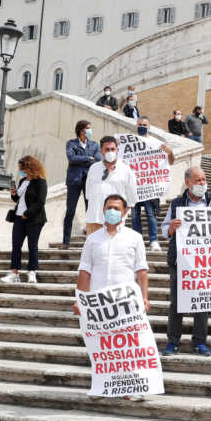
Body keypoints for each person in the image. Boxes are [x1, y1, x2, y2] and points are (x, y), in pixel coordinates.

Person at [74, 193, 150, 401]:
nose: (112, 211)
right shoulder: (92, 239)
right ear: (103, 210)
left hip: (125, 301)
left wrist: (144, 297)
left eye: (117, 208)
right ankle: (102, 386)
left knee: (127, 345)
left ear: (125, 212)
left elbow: (141, 271)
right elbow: (85, 271)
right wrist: (80, 299)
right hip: (99, 302)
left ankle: (130, 387)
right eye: (109, 207)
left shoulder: (134, 238)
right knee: (101, 347)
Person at [160, 167, 211, 357]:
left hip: (203, 262)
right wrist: (172, 228)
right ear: (188, 182)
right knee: (176, 303)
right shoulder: (177, 204)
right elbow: (164, 230)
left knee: (202, 303)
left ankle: (200, 342)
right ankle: (172, 342)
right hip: (179, 261)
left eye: (204, 179)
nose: (202, 183)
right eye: (198, 180)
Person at [1, 155, 48, 284]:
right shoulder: (22, 181)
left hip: (34, 219)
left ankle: (32, 272)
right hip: (18, 218)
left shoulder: (41, 182)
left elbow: (40, 202)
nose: (20, 170)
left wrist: (27, 214)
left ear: (29, 167)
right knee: (16, 245)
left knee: (32, 246)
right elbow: (17, 200)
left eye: (22, 168)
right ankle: (14, 273)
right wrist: (13, 194)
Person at [130, 117, 171, 250]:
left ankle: (154, 240)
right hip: (134, 186)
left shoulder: (156, 143)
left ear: (149, 127)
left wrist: (169, 152)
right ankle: (137, 240)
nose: (142, 126)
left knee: (150, 214)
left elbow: (170, 161)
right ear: (136, 125)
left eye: (144, 125)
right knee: (135, 215)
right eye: (140, 124)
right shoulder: (130, 143)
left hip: (149, 186)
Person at [84, 136, 138, 238]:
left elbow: (132, 199)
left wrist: (119, 216)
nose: (110, 152)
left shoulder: (126, 170)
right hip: (93, 220)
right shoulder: (93, 168)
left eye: (113, 149)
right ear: (101, 151)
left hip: (115, 222)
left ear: (117, 150)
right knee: (93, 252)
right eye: (107, 149)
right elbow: (88, 194)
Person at [61, 120, 101, 249]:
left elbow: (98, 159)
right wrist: (88, 158)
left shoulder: (94, 145)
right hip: (74, 180)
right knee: (70, 211)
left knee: (90, 210)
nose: (90, 131)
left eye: (90, 128)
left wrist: (84, 159)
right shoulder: (71, 143)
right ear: (80, 130)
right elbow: (71, 158)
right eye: (87, 128)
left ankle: (91, 239)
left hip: (89, 180)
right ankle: (65, 242)